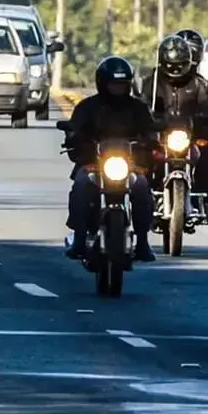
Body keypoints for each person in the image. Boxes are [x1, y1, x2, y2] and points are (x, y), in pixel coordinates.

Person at [63, 56, 158, 262]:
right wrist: (75, 139)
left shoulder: (138, 108)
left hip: (129, 166)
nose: (118, 89)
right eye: (114, 84)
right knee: (80, 185)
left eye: (122, 85)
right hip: (94, 165)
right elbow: (74, 131)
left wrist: (151, 142)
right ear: (102, 83)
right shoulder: (88, 107)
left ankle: (142, 242)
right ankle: (79, 238)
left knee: (142, 188)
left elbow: (151, 131)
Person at [165, 29, 208, 223]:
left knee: (207, 144)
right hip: (162, 133)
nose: (177, 65)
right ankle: (144, 196)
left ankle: (204, 201)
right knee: (142, 151)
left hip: (191, 133)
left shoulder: (200, 84)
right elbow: (141, 106)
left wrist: (202, 118)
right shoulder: (155, 81)